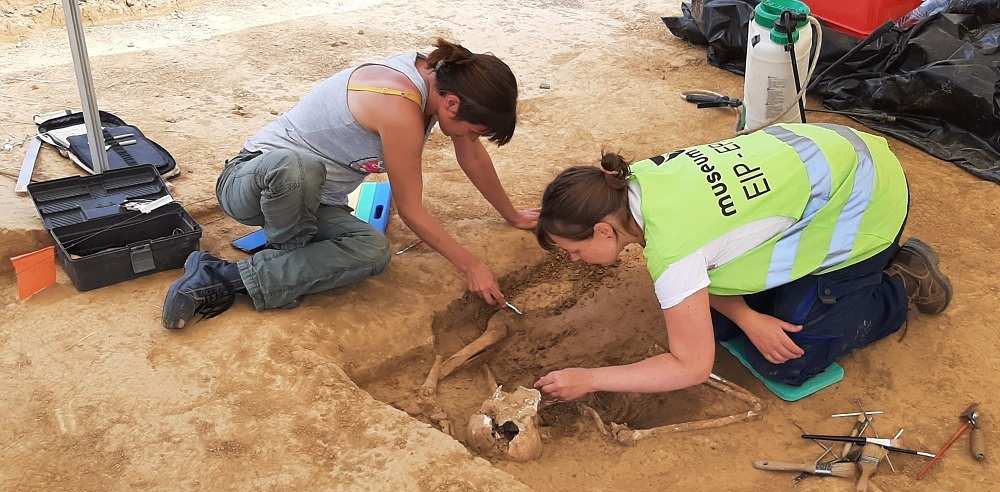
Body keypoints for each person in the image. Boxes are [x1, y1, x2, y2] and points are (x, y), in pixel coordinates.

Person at [532, 123, 952, 401]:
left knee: (791, 359)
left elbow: (693, 367)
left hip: (867, 193)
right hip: (827, 153)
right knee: (718, 326)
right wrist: (749, 318)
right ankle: (788, 301)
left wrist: (590, 379)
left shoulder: (672, 248)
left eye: (572, 249)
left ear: (604, 231)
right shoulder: (635, 181)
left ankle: (902, 281)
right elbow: (704, 260)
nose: (574, 259)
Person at [161, 39, 537, 329]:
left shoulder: (449, 80)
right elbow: (411, 209)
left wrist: (512, 214)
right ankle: (285, 260)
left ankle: (223, 276)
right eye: (475, 129)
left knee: (372, 252)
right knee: (298, 167)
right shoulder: (398, 104)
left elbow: (470, 154)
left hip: (316, 203)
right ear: (453, 105)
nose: (472, 137)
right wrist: (472, 265)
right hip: (253, 182)